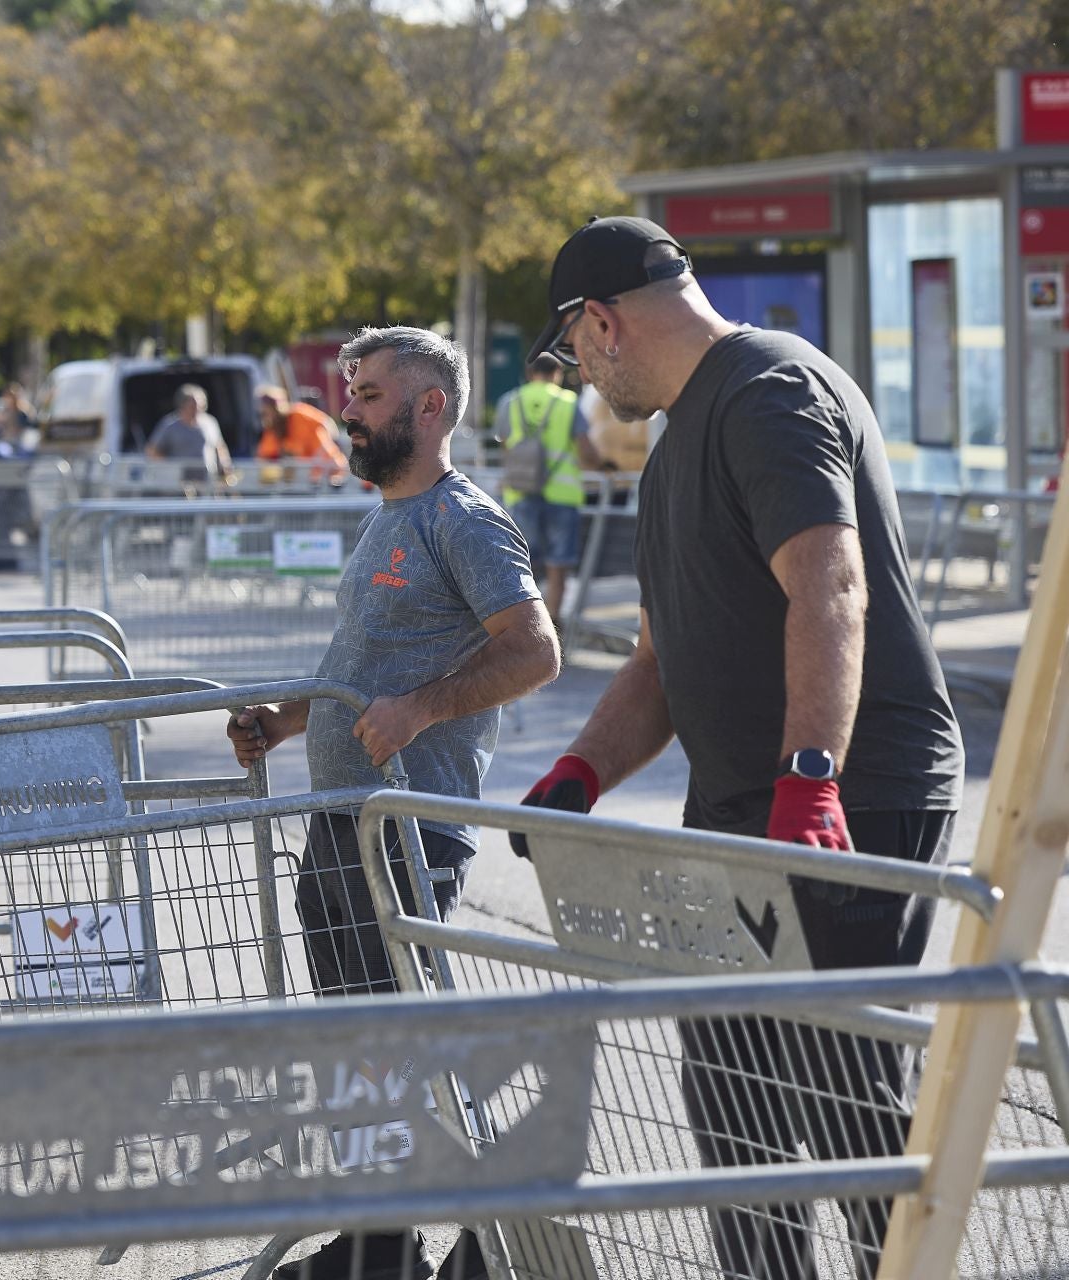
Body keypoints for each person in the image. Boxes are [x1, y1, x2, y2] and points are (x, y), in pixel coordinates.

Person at [517, 216, 964, 1280]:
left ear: (602, 321)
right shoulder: (676, 441)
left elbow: (831, 586)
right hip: (736, 808)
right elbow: (658, 662)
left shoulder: (769, 390)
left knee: (845, 1093)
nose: (578, 371)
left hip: (849, 794)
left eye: (573, 346)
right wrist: (578, 773)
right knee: (734, 1097)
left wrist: (810, 780)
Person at [225, 327, 559, 1280]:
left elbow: (536, 651)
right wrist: (288, 719)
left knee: (404, 1047)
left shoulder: (464, 520)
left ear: (430, 406)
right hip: (344, 818)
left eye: (369, 394)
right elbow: (361, 666)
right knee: (360, 1050)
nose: (349, 410)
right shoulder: (386, 517)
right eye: (352, 393)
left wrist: (424, 709)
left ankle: (495, 1246)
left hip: (410, 832)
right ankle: (379, 1244)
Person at [496, 353, 602, 622]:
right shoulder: (568, 402)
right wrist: (604, 466)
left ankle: (524, 622)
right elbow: (586, 449)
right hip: (562, 493)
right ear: (557, 373)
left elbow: (505, 445)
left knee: (522, 561)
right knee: (559, 562)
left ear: (530, 373)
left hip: (520, 491)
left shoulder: (510, 401)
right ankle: (553, 622)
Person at [145, 384, 233, 485]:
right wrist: (171, 467)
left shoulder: (210, 422)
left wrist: (225, 465)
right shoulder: (169, 425)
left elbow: (219, 446)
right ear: (182, 405)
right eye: (193, 405)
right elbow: (151, 450)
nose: (198, 408)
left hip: (207, 481)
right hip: (180, 484)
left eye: (201, 405)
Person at [255, 384, 348, 475]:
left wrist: (334, 443)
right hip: (303, 475)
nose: (266, 418)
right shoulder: (272, 430)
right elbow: (263, 456)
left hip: (327, 468)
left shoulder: (299, 415)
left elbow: (326, 423)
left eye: (267, 412)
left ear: (277, 409)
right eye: (263, 414)